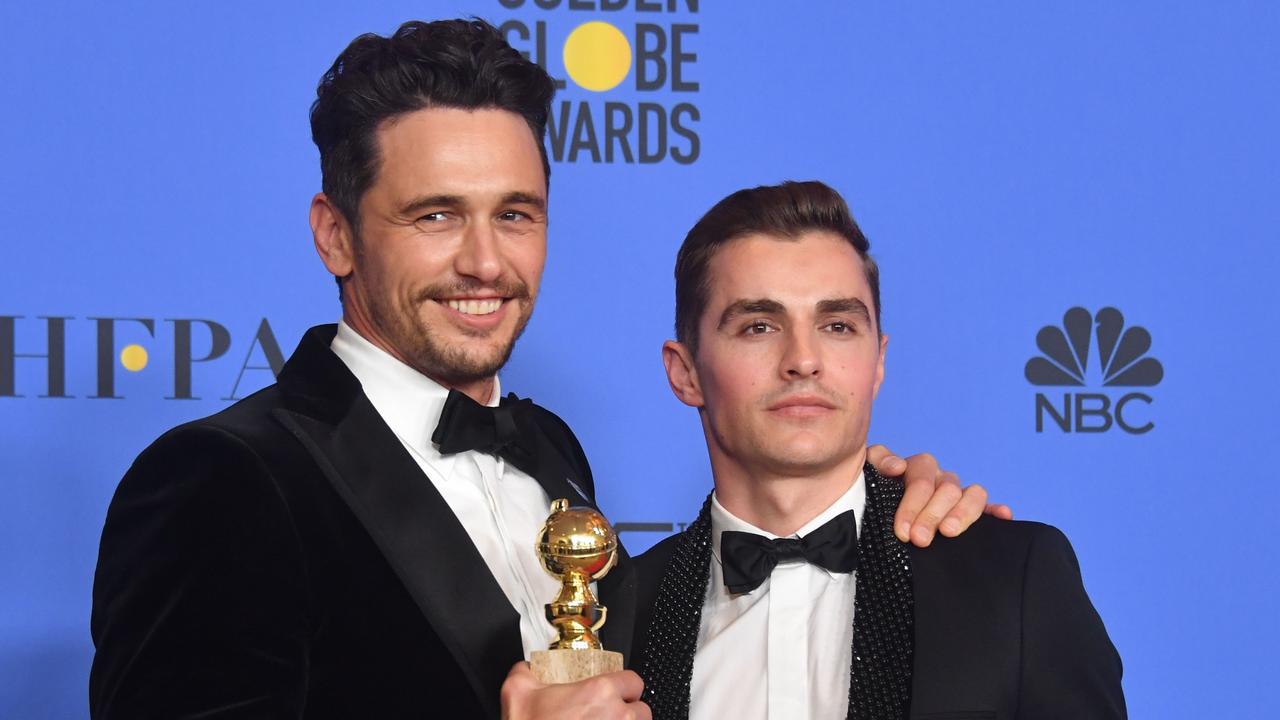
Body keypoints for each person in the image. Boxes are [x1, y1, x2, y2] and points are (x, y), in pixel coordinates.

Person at [89, 21, 1000, 720]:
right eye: (436, 216)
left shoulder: (550, 452)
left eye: (516, 214)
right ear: (336, 233)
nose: (487, 263)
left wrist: (874, 495)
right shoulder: (225, 479)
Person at [629, 181, 1126, 719]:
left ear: (879, 361)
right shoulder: (621, 613)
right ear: (686, 373)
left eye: (838, 325)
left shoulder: (1013, 583)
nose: (803, 360)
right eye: (759, 326)